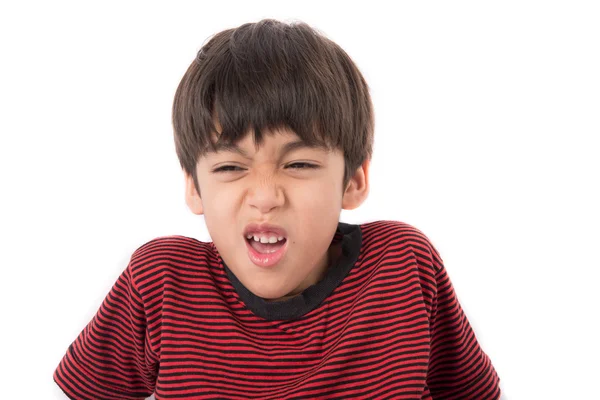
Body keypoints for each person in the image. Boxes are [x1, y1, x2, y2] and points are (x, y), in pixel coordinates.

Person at [53, 18, 501, 399]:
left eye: (300, 163)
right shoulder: (162, 284)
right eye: (230, 166)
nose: (265, 196)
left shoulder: (401, 267)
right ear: (193, 187)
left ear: (354, 180)